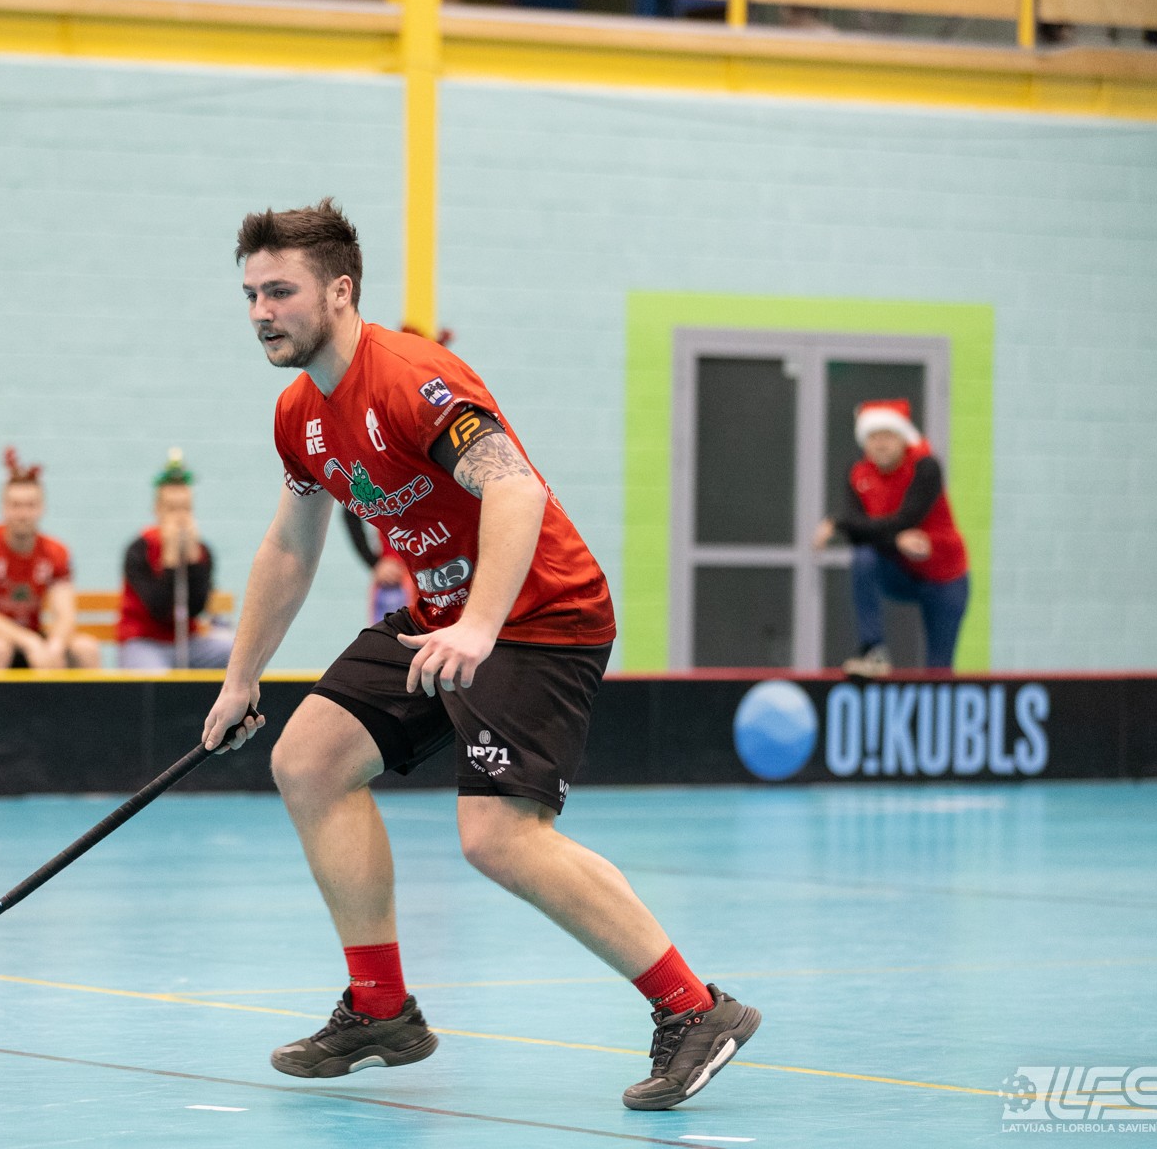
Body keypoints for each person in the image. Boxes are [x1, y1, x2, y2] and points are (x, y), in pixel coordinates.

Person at [201, 199, 759, 1111]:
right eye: (252, 294)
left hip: (538, 614)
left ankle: (696, 1008)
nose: (262, 311)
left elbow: (516, 491)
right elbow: (290, 546)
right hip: (444, 613)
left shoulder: (412, 377)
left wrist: (479, 628)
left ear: (340, 292)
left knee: (498, 837)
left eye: (281, 292)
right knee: (309, 761)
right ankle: (381, 1009)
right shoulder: (299, 414)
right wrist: (240, 677)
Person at [813, 398, 969, 676]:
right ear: (864, 442)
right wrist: (887, 538)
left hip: (944, 576)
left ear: (903, 438)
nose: (881, 444)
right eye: (873, 437)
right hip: (899, 571)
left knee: (939, 669)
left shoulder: (926, 467)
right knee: (863, 558)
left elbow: (905, 520)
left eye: (888, 436)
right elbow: (860, 534)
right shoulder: (857, 473)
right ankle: (873, 651)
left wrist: (839, 522)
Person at [0, 449, 101, 670]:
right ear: (4, 508)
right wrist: (30, 642)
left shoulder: (56, 552)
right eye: (16, 505)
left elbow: (65, 615)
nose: (23, 514)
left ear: (42, 508)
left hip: (33, 634)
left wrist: (55, 645)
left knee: (86, 648)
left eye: (30, 505)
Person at [118, 452, 236, 670]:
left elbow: (197, 608)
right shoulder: (139, 549)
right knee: (154, 675)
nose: (180, 517)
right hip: (145, 641)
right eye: (172, 509)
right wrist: (171, 560)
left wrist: (193, 563)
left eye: (186, 509)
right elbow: (158, 608)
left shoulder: (202, 551)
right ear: (158, 510)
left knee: (234, 653)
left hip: (188, 643)